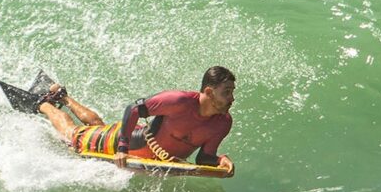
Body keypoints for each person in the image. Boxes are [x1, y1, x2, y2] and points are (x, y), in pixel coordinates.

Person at [35, 66, 236, 176]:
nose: (232, 98)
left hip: (139, 140)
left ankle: (63, 97)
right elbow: (133, 109)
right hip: (129, 142)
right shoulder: (179, 101)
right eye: (226, 92)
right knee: (73, 135)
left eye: (232, 92)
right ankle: (43, 104)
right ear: (209, 92)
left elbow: (204, 158)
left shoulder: (222, 123)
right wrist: (122, 149)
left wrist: (220, 160)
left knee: (99, 127)